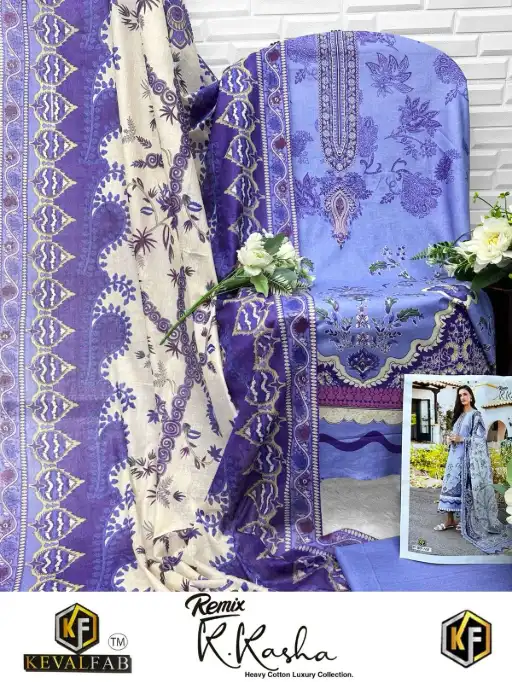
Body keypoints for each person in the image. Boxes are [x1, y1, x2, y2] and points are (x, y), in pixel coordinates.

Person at [434, 385, 511, 554]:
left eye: (465, 394)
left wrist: (462, 439)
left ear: (471, 396)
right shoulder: (459, 415)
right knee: (449, 487)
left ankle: (465, 522)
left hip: (467, 459)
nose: (462, 397)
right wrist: (451, 439)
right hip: (454, 458)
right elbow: (455, 434)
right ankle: (449, 520)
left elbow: (480, 439)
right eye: (460, 395)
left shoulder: (476, 415)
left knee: (464, 489)